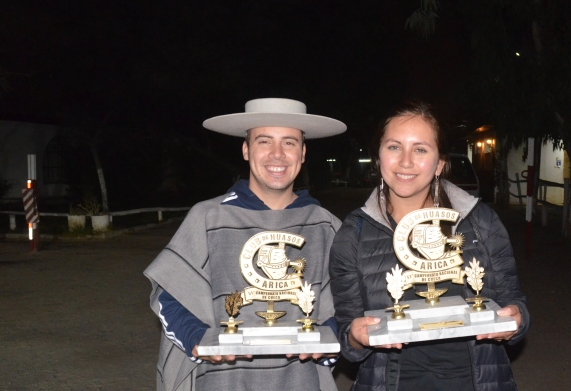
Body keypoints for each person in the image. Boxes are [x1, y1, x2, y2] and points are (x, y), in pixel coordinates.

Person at [144, 98, 346, 391]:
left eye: (289, 143)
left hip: (302, 382)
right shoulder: (208, 217)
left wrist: (330, 337)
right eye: (264, 141)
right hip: (222, 381)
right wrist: (197, 338)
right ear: (246, 149)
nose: (277, 154)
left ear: (302, 153)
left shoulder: (327, 225)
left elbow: (350, 304)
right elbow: (170, 294)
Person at [329, 102, 530, 391]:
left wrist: (517, 319)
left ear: (439, 164)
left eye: (420, 149)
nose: (406, 161)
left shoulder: (479, 221)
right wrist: (353, 337)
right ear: (379, 158)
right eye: (394, 147)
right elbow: (348, 333)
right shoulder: (353, 232)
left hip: (476, 382)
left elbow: (515, 302)